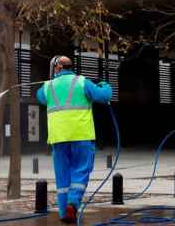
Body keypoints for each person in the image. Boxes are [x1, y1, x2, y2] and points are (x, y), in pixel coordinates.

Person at [37, 55, 112, 223]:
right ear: (71, 67)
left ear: (56, 68)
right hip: (81, 135)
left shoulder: (47, 87)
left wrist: (52, 81)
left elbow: (40, 97)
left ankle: (65, 212)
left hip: (58, 138)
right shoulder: (82, 82)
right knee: (80, 170)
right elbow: (104, 96)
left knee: (62, 176)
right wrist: (105, 84)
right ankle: (73, 202)